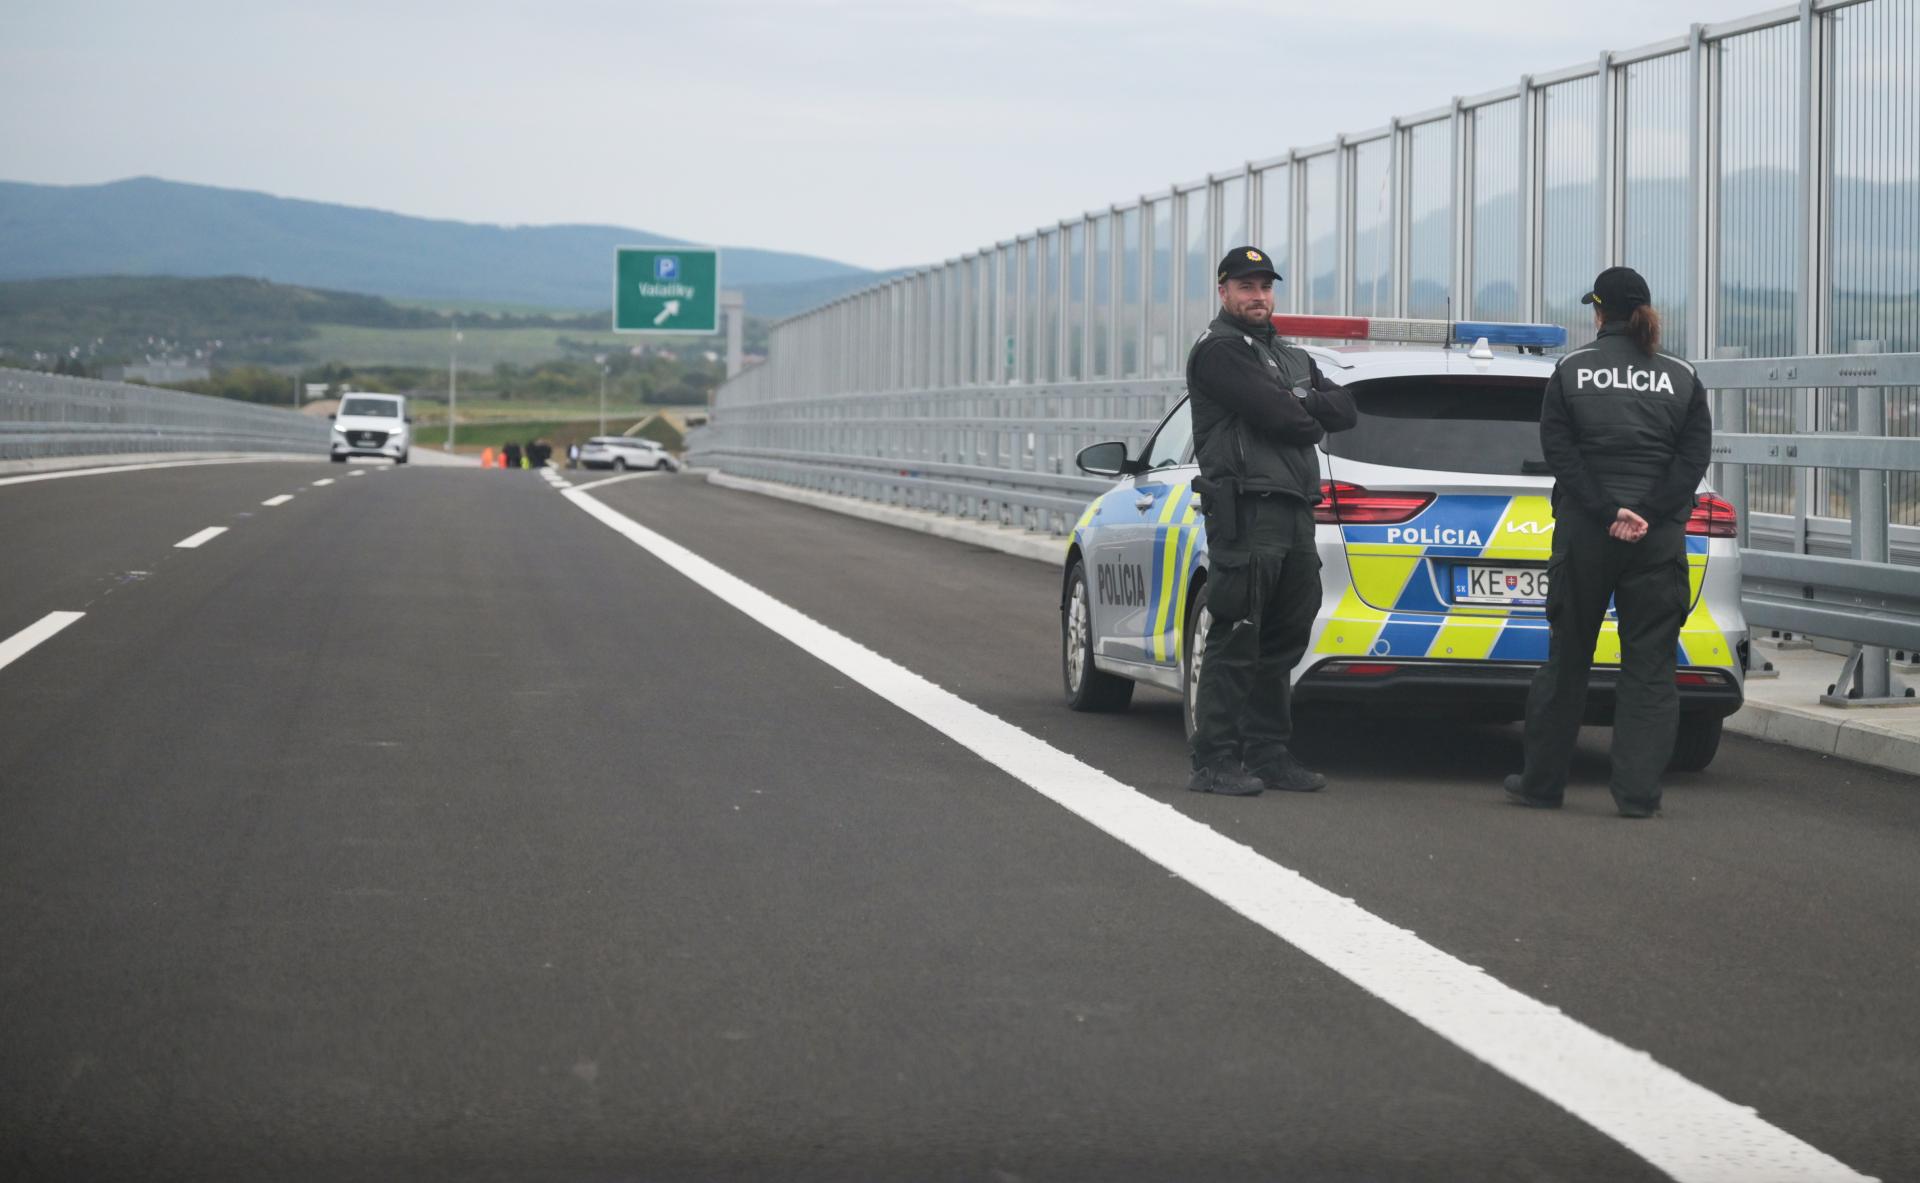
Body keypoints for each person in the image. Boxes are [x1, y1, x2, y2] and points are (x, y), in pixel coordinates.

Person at [1504, 266, 1712, 818]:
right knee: (1649, 668)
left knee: (1568, 660)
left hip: (1586, 536)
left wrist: (1605, 510)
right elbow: (1692, 460)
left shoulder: (1571, 369)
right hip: (1657, 540)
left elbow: (1560, 450)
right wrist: (1644, 513)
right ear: (1646, 312)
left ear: (1599, 312)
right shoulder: (1682, 376)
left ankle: (1542, 785)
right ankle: (1638, 795)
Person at [1186, 247, 1357, 797]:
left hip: (1294, 509)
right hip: (1246, 508)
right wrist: (1303, 403)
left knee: (1286, 634)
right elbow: (1286, 417)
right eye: (1245, 286)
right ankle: (1214, 760)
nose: (1257, 296)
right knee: (1237, 632)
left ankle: (1267, 752)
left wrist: (1298, 398)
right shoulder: (1217, 352)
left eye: (1264, 286)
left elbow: (1346, 411)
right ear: (1223, 292)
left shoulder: (1290, 356)